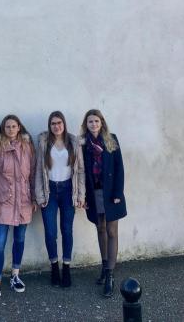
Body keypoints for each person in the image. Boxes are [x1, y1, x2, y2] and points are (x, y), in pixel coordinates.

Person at [0, 114, 37, 305]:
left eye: (14, 126)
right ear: (3, 129)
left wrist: (34, 198)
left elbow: (33, 174)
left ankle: (15, 276)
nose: (11, 129)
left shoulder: (27, 148)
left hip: (23, 202)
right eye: (8, 127)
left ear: (19, 127)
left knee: (19, 240)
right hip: (3, 203)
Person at [34, 111, 85, 287]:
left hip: (67, 190)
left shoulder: (73, 142)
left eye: (59, 123)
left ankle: (67, 268)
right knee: (50, 232)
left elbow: (80, 171)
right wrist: (39, 195)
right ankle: (54, 267)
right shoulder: (43, 142)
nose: (56, 126)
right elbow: (39, 170)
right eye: (53, 123)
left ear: (64, 124)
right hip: (50, 191)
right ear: (50, 125)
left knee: (67, 230)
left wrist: (80, 195)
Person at [80, 109, 127, 298]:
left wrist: (118, 192)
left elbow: (119, 167)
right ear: (86, 124)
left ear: (102, 122)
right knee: (100, 228)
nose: (93, 124)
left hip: (110, 194)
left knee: (112, 231)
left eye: (96, 121)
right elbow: (80, 170)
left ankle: (110, 275)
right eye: (90, 122)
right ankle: (104, 265)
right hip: (94, 192)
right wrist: (83, 196)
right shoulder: (83, 143)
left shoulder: (111, 139)